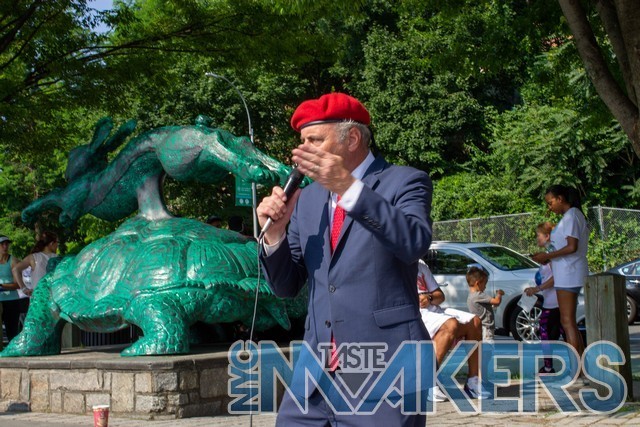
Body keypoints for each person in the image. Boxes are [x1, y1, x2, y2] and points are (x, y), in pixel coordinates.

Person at [257, 93, 432, 426]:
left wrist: (347, 188)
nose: (302, 152)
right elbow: (285, 287)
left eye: (314, 140)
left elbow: (413, 243)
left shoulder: (405, 181)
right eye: (302, 142)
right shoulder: (307, 199)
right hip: (315, 374)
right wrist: (275, 234)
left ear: (352, 138)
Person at [532, 185, 588, 380]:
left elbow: (572, 247)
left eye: (550, 202)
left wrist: (548, 255)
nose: (549, 207)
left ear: (560, 198)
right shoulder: (572, 216)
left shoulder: (572, 216)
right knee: (569, 322)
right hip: (568, 272)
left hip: (569, 273)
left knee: (567, 321)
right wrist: (547, 257)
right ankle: (581, 368)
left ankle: (576, 370)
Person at [417, 259, 488, 400]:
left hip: (435, 311)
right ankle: (428, 382)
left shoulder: (420, 264)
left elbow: (440, 296)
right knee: (451, 324)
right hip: (416, 314)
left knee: (475, 321)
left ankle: (473, 382)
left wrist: (429, 297)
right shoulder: (395, 264)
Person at [525, 222, 563, 374]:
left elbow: (556, 277)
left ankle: (548, 367)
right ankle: (576, 364)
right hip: (552, 300)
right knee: (558, 332)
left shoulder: (552, 253)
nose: (537, 239)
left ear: (547, 236)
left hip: (554, 302)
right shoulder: (549, 253)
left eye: (538, 235)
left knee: (545, 331)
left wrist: (537, 289)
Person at [12, 231, 59, 299]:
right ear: (52, 243)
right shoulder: (58, 258)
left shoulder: (33, 257)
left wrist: (24, 288)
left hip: (38, 297)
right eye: (57, 242)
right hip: (55, 296)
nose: (57, 245)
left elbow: (15, 270)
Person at [466, 266, 504, 343]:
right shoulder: (479, 295)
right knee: (488, 346)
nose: (485, 287)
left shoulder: (470, 296)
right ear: (478, 283)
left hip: (479, 327)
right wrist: (499, 294)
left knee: (481, 346)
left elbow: (485, 307)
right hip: (486, 327)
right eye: (484, 284)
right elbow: (497, 301)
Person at [0, 235, 22, 348]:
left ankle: (14, 351)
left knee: (12, 331)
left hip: (11, 300)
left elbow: (18, 284)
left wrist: (2, 286)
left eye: (6, 244)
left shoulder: (13, 261)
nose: (5, 246)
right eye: (2, 244)